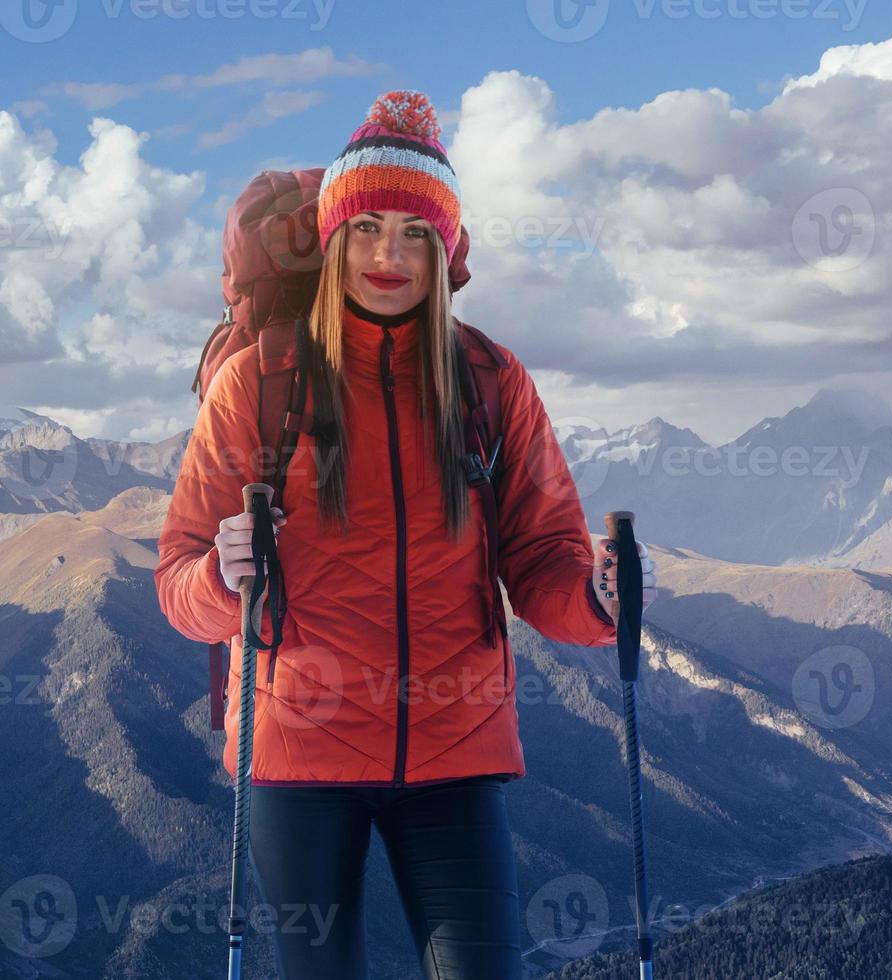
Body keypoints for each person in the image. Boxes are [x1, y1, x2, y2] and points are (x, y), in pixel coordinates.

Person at [153, 90, 657, 979]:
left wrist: (597, 602)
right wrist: (220, 581)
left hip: (454, 755)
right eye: (368, 227)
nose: (390, 254)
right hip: (295, 755)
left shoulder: (492, 384)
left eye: (416, 233)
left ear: (446, 251)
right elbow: (179, 584)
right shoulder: (256, 387)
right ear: (334, 235)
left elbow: (543, 561)